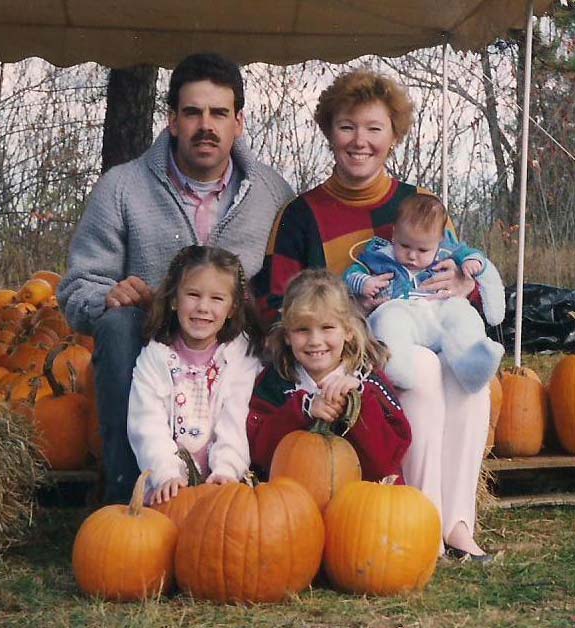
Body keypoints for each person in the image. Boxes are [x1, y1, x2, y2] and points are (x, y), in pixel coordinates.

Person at [256, 69, 492, 560]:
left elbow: (459, 284)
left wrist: (467, 285)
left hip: (427, 328)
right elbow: (276, 305)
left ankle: (459, 524)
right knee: (423, 368)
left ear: (394, 136)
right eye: (347, 127)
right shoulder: (302, 214)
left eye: (374, 128)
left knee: (467, 373)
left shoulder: (418, 206)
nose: (359, 141)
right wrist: (343, 313)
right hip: (351, 356)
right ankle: (422, 520)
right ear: (329, 133)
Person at [57, 53, 294, 503]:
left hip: (235, 352)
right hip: (153, 346)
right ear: (171, 120)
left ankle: (248, 486)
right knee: (119, 324)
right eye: (193, 112)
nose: (206, 125)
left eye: (219, 113)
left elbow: (292, 279)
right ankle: (129, 494)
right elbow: (76, 288)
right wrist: (109, 296)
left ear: (238, 122)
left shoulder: (271, 193)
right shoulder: (122, 187)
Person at [127, 245, 263, 504]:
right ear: (174, 300)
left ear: (232, 307)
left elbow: (236, 419)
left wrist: (227, 469)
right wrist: (165, 473)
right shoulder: (155, 357)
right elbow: (146, 424)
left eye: (216, 299)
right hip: (169, 488)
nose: (203, 307)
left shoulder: (239, 358)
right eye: (193, 294)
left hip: (223, 487)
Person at [247, 269, 411, 482]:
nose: (315, 340)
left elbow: (387, 461)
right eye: (302, 330)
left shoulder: (367, 380)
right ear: (287, 335)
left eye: (327, 328)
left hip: (358, 499)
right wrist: (303, 410)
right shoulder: (275, 381)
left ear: (348, 330)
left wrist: (356, 404)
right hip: (293, 498)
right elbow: (260, 454)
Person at [344, 193, 505, 393]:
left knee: (463, 315)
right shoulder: (379, 254)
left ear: (439, 242)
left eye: (423, 250)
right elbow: (353, 273)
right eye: (404, 246)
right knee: (388, 319)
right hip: (401, 308)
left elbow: (473, 256)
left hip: (440, 308)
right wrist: (364, 282)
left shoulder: (448, 253)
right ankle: (397, 368)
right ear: (394, 234)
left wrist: (473, 263)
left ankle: (471, 364)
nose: (412, 256)